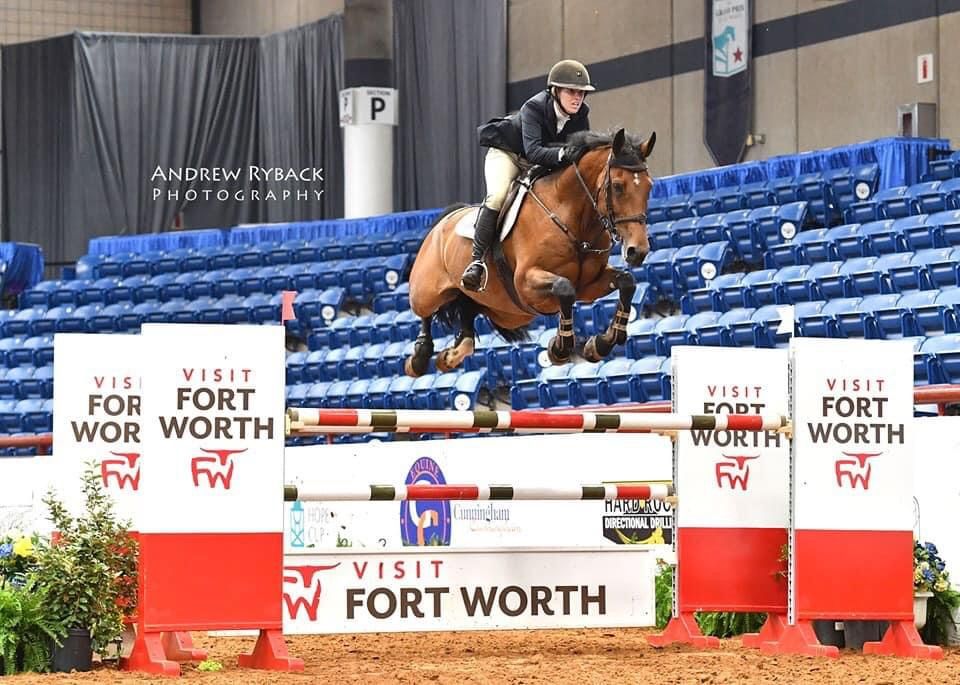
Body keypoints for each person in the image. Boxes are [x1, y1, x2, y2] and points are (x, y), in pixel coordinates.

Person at [462, 59, 596, 291]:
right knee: (498, 195)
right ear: (555, 91)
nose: (578, 98)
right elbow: (534, 152)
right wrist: (565, 153)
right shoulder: (533, 107)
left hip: (542, 162)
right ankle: (477, 262)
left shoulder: (581, 114)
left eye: (582, 93)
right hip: (509, 155)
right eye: (571, 92)